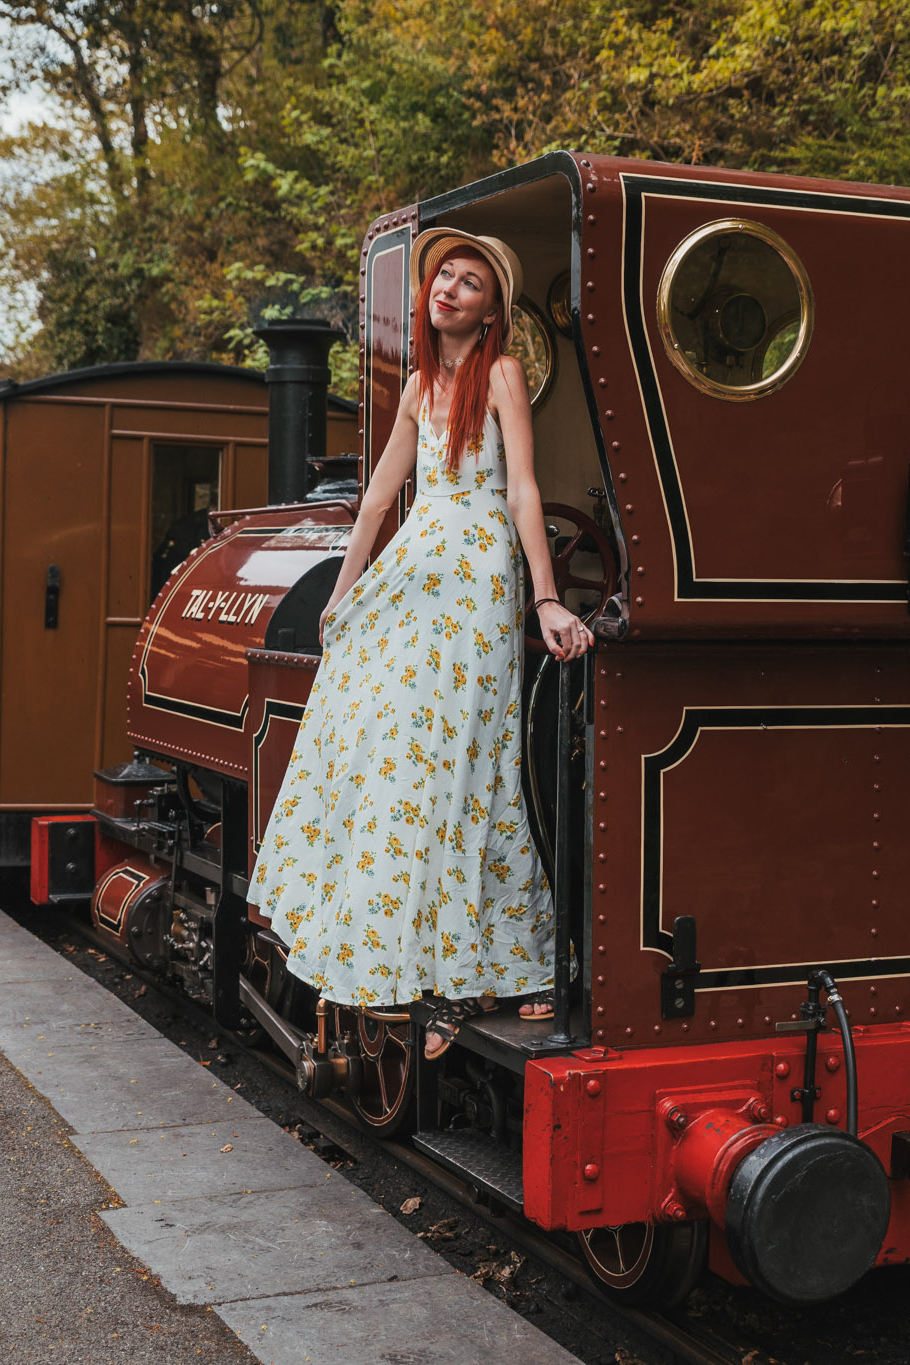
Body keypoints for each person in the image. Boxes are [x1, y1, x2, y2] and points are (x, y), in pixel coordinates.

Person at [248, 229, 595, 1058]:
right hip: (415, 567)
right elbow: (376, 499)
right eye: (445, 276)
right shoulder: (416, 386)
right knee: (391, 749)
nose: (450, 289)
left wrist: (545, 597)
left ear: (490, 308)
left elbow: (522, 490)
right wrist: (340, 596)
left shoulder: (501, 374)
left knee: (466, 762)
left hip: (475, 572)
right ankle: (418, 967)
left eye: (471, 282)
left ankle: (491, 969)